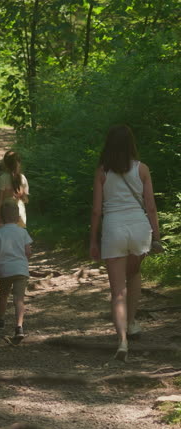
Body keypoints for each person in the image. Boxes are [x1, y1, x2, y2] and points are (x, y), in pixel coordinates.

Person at [90, 124, 162, 361]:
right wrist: (157, 236)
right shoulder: (142, 169)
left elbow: (97, 211)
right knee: (134, 276)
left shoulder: (102, 172)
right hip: (139, 229)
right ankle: (131, 323)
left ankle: (122, 341)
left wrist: (93, 241)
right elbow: (150, 207)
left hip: (113, 230)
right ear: (131, 144)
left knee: (117, 291)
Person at [0, 200, 32, 338]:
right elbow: (28, 252)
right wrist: (24, 260)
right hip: (20, 269)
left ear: (1, 217)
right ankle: (19, 327)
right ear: (18, 217)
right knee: (19, 299)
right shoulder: (23, 232)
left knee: (3, 295)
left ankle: (0, 319)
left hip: (5, 270)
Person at [0, 150, 29, 228]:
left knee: (6, 236)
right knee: (19, 237)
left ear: (5, 164)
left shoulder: (2, 178)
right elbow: (26, 200)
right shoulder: (23, 178)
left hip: (6, 213)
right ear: (19, 163)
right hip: (19, 213)